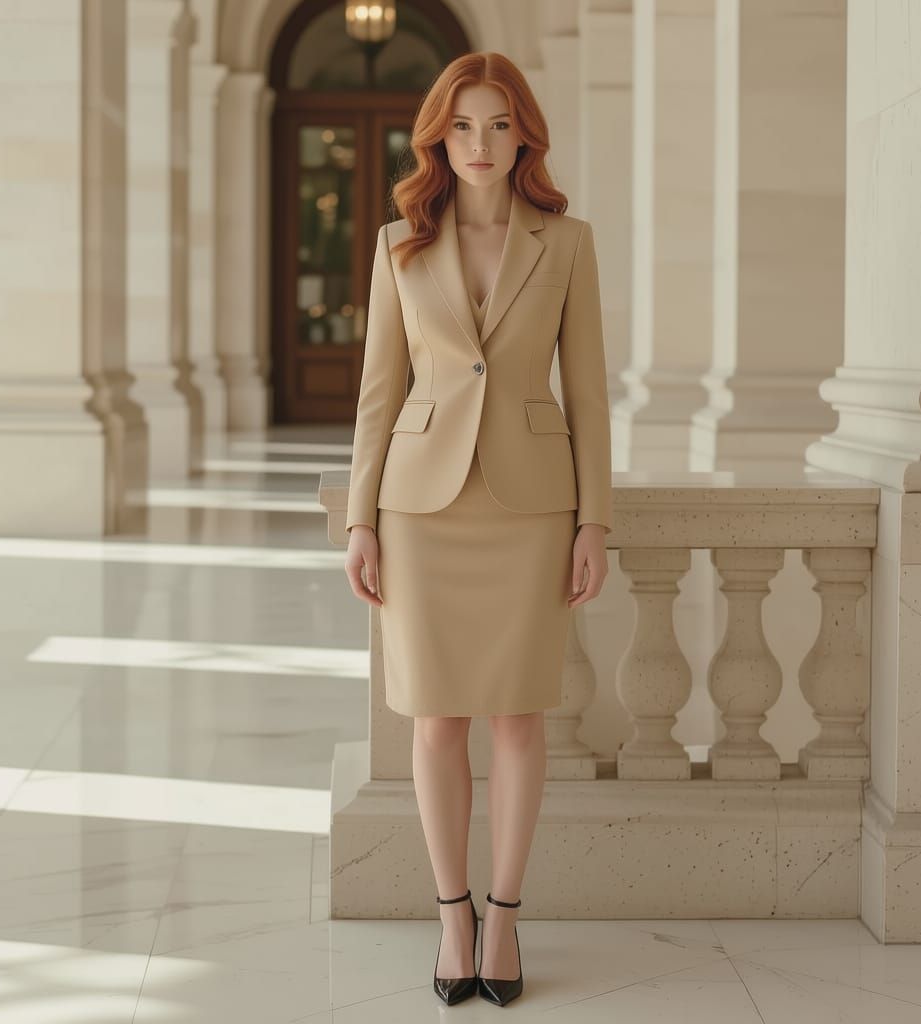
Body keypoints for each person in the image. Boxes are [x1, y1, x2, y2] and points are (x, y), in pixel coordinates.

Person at [343, 51, 612, 1007]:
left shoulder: (567, 242)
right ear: (438, 139)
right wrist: (360, 520)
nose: (481, 143)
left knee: (518, 719)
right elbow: (380, 393)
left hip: (532, 505)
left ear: (524, 134)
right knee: (435, 719)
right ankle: (450, 913)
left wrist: (595, 521)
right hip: (420, 510)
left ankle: (503, 919)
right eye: (462, 126)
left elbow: (588, 393)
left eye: (498, 124)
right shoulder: (397, 244)